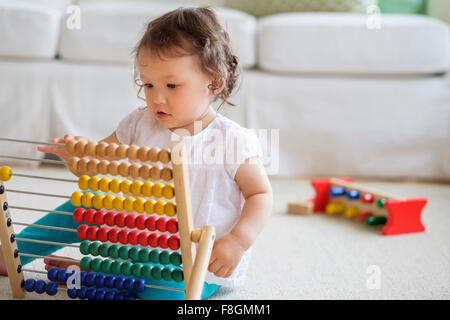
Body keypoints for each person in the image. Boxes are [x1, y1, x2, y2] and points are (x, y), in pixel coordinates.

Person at [0, 6, 273, 299]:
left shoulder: (231, 141)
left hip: (194, 265)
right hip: (137, 239)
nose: (157, 97)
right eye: (148, 84)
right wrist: (78, 157)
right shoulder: (138, 122)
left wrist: (238, 241)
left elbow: (260, 195)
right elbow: (97, 165)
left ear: (214, 82)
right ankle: (13, 251)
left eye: (171, 85)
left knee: (162, 293)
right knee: (82, 207)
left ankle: (90, 276)